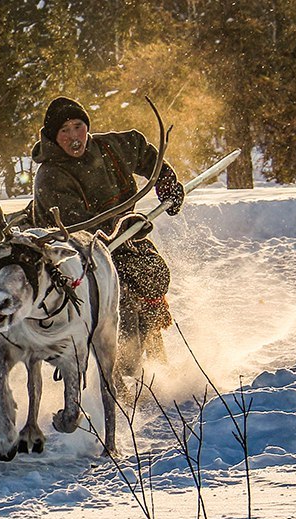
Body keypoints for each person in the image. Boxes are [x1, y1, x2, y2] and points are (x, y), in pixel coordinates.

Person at [28, 96, 186, 376]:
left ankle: (154, 351)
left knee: (153, 273)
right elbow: (76, 232)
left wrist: (166, 182)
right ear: (53, 136)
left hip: (126, 242)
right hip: (79, 258)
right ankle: (121, 367)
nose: (74, 137)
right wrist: (119, 229)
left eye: (78, 126)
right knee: (118, 298)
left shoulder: (112, 147)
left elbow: (144, 152)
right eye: (64, 131)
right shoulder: (50, 176)